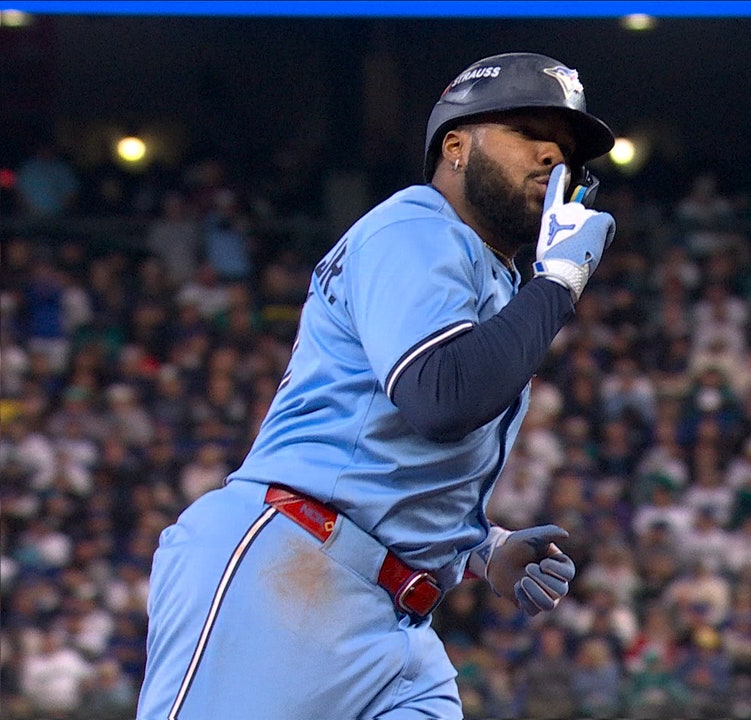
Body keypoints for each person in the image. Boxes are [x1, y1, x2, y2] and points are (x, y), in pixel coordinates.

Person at [137, 52, 617, 719]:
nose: (549, 157)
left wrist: (483, 547)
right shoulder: (417, 226)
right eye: (527, 132)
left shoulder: (497, 280)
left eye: (564, 150)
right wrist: (560, 282)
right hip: (291, 568)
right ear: (456, 146)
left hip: (391, 616)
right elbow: (441, 400)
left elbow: (389, 450)